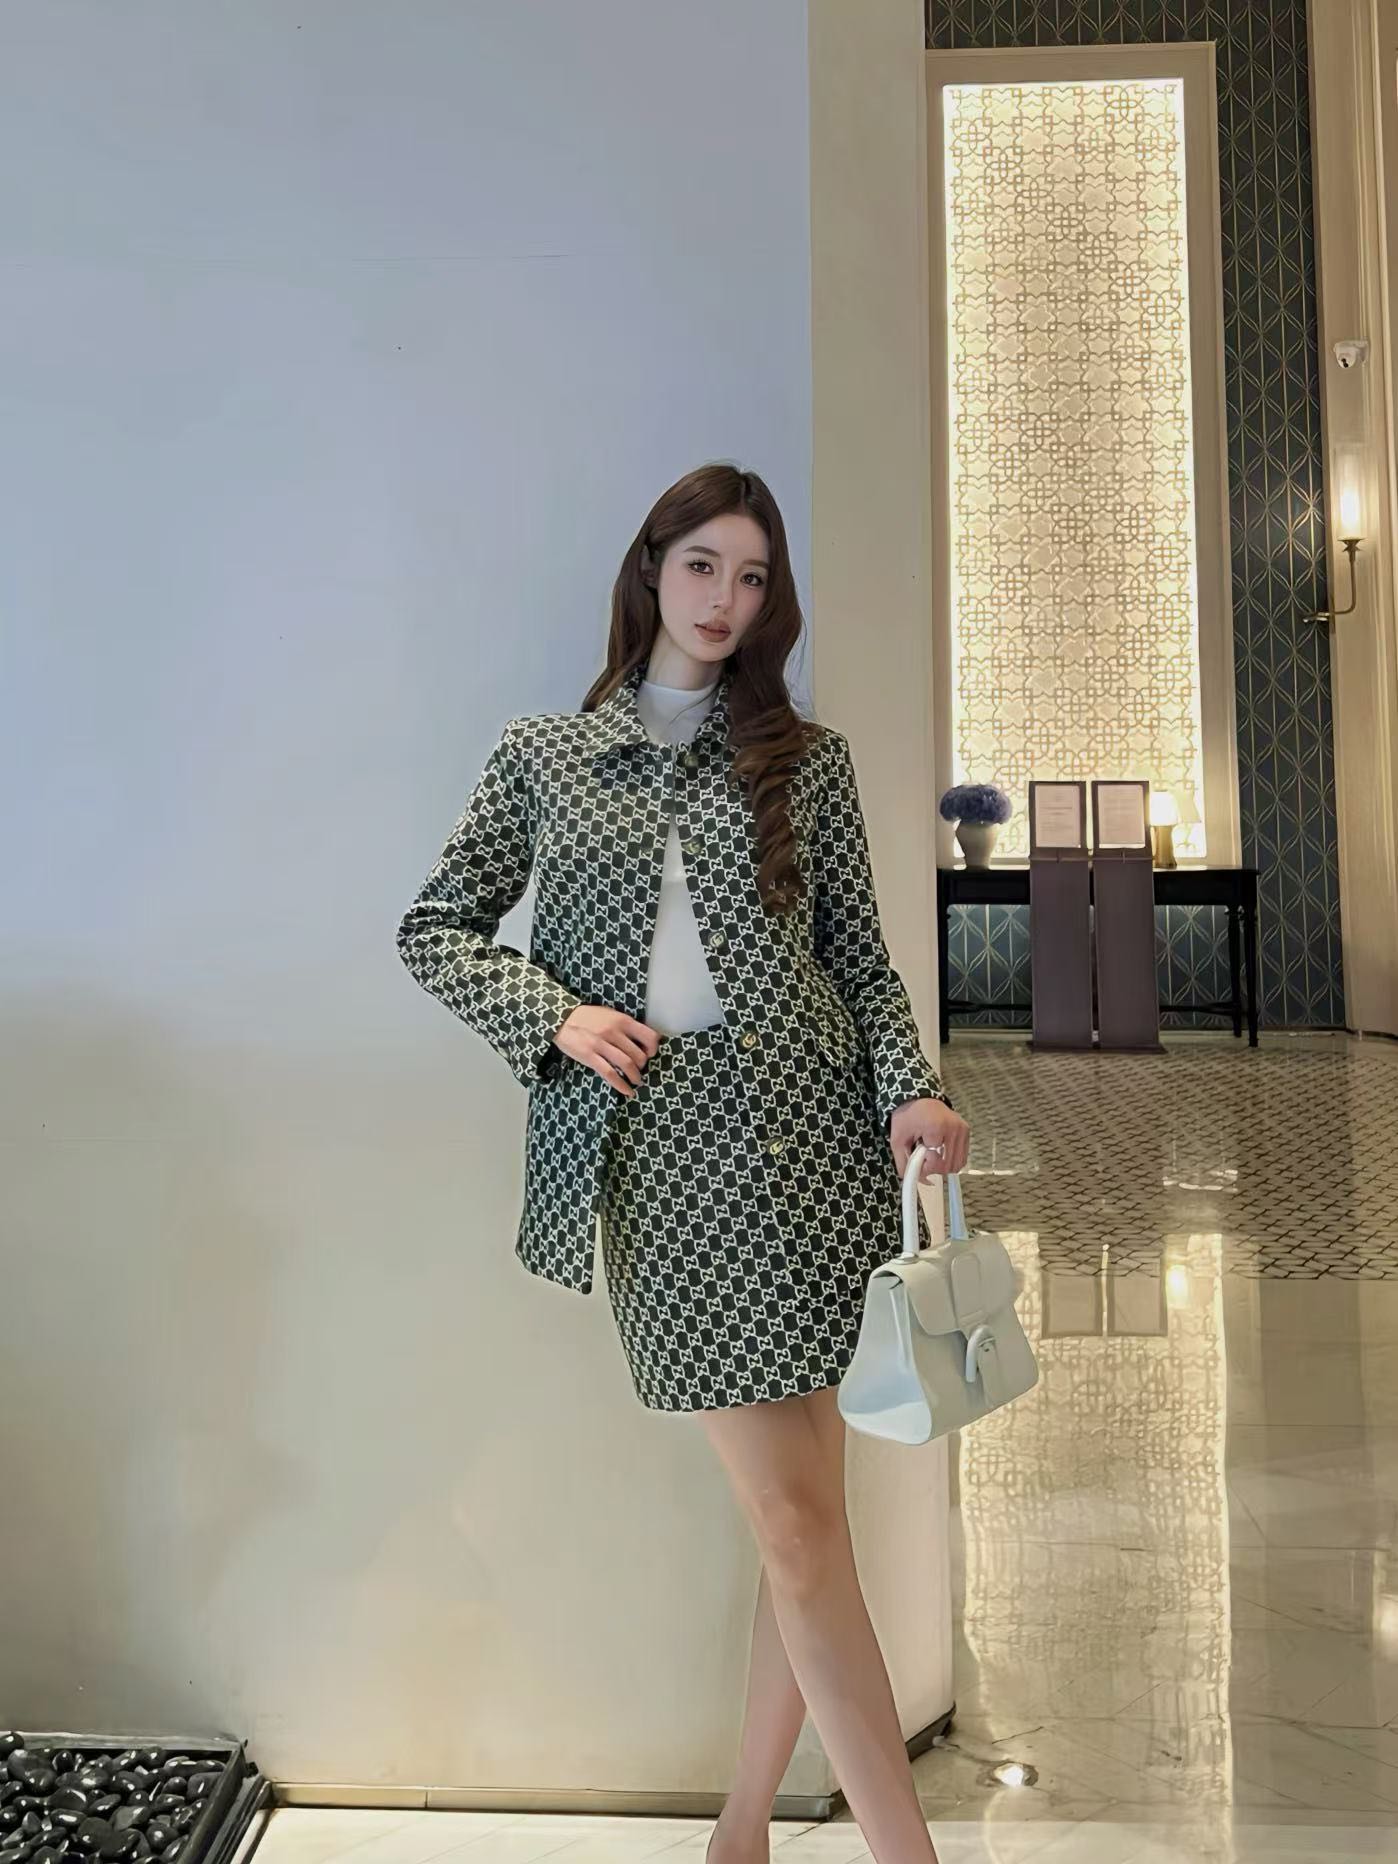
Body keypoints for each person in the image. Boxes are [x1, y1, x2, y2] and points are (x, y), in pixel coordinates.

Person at [397, 462, 970, 1864]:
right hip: (663, 1161)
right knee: (796, 1522)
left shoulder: (804, 761)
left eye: (752, 576)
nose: (724, 598)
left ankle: (741, 1832)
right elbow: (434, 927)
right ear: (651, 570)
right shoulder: (545, 754)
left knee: (805, 1529)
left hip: (816, 1146)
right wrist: (557, 1014)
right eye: (703, 565)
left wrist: (911, 1090)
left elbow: (858, 960)